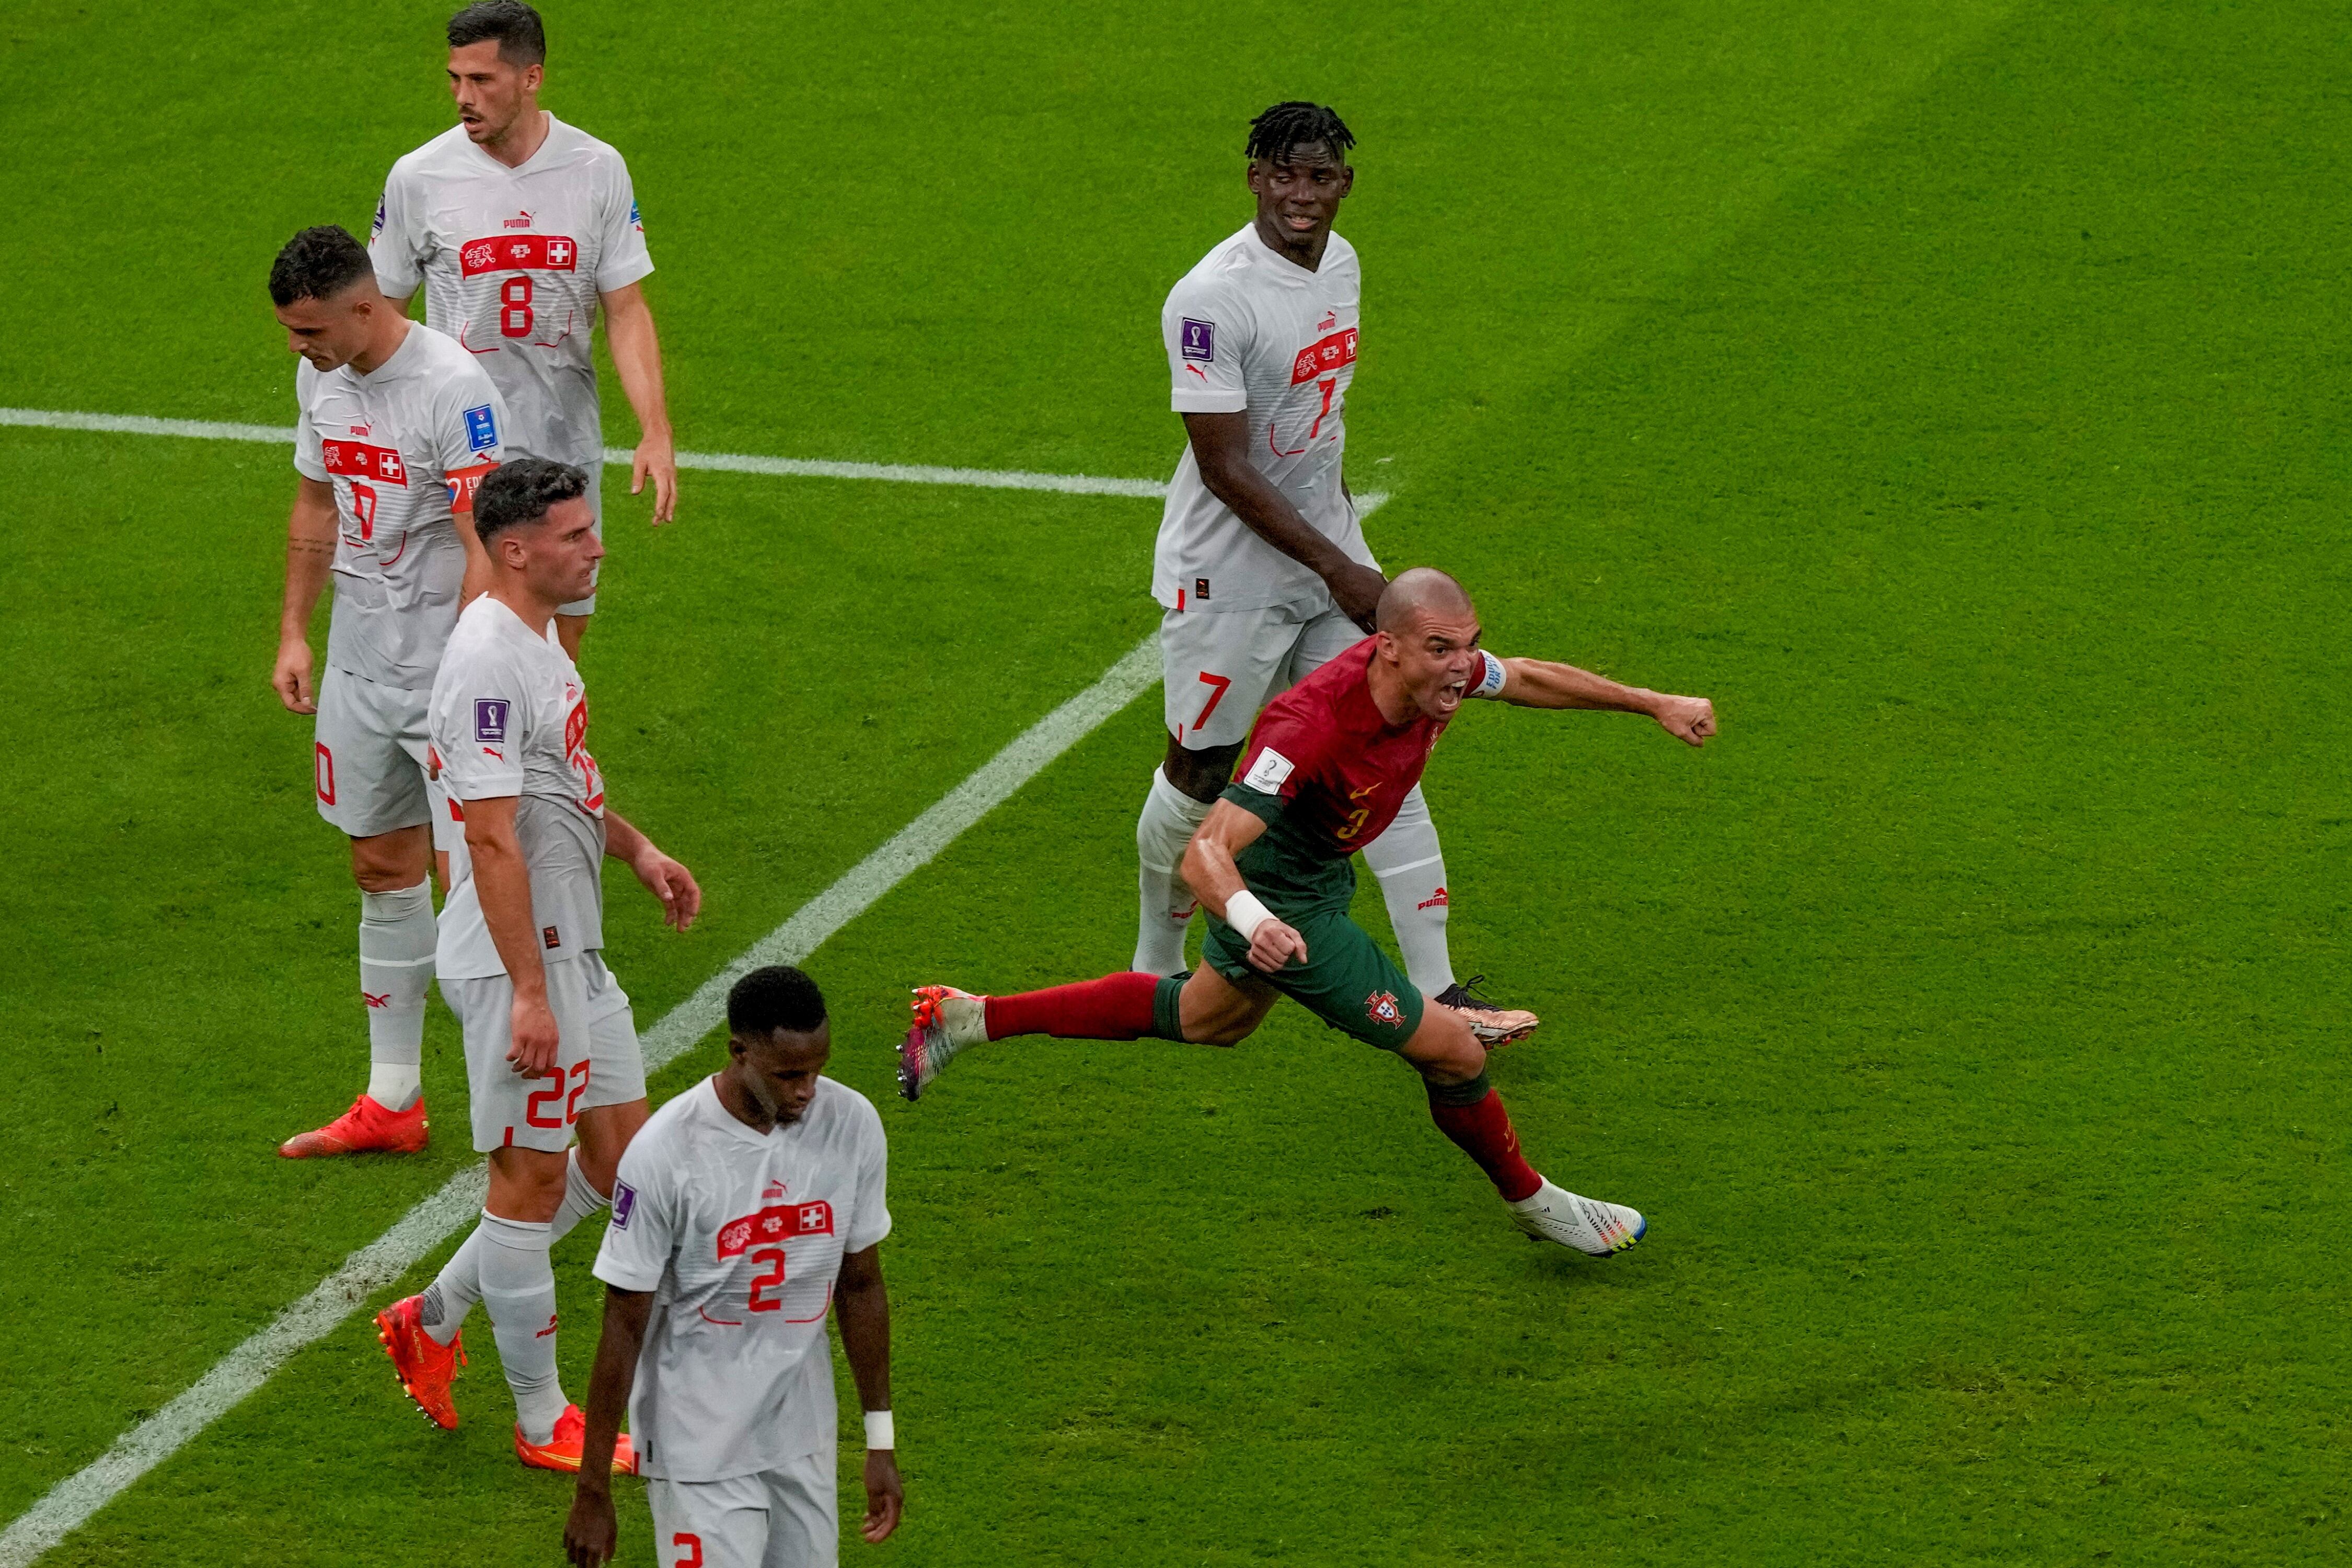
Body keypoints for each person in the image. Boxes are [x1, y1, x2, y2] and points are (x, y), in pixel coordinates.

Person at [908, 569, 1717, 1255]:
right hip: (1284, 900)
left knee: (1207, 1020)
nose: (1462, 667)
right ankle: (1537, 1203)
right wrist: (1258, 922)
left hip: (1317, 877)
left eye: (1469, 644)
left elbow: (1530, 676)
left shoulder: (1444, 671)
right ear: (1387, 645)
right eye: (1443, 649)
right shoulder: (1310, 727)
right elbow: (1206, 853)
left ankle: (967, 1018)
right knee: (1454, 1055)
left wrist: (1651, 702)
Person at [1133, 101, 1512, 1025]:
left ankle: (1439, 989)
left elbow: (1318, 420)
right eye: (1284, 174)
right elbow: (1224, 466)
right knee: (1201, 770)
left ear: (1344, 183)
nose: (1302, 194)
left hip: (1331, 556)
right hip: (1231, 574)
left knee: (1394, 739)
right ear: (1255, 177)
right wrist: (1340, 569)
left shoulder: (1342, 264)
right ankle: (1155, 953)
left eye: (1321, 176)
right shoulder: (1210, 298)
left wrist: (1342, 551)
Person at [372, 457, 701, 1471]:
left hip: (575, 947)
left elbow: (563, 784)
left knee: (620, 1167)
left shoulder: (541, 640)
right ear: (516, 552)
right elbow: (488, 836)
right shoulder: (483, 662)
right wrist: (527, 992)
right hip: (524, 957)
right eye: (575, 535)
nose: (596, 547)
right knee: (529, 1177)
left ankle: (431, 1317)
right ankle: (541, 1420)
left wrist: (638, 849)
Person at [269, 224, 508, 1160]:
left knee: (483, 891)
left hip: (448, 678)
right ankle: (394, 1100)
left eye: (308, 330)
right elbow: (316, 505)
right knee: (381, 869)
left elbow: (484, 538)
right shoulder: (319, 379)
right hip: (359, 669)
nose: (298, 348)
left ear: (365, 308)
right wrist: (295, 629)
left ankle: (518, 1111)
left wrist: (465, 670)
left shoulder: (453, 386)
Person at [370, 0, 678, 663]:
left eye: (481, 81)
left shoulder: (598, 169)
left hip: (566, 438)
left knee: (561, 640)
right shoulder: (419, 177)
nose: (462, 97)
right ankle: (460, 762)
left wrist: (655, 428)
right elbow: (382, 319)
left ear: (531, 78)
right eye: (455, 79)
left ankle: (543, 764)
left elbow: (626, 307)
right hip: (460, 444)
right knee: (470, 635)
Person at [563, 966, 902, 1568]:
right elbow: (623, 1324)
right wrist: (594, 1486)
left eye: (817, 1070)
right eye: (789, 1075)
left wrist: (880, 1441)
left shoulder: (851, 1126)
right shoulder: (666, 1152)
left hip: (802, 1435)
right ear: (739, 1053)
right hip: (697, 1446)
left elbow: (861, 1283)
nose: (807, 1091)